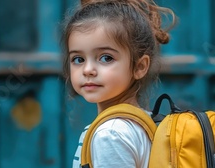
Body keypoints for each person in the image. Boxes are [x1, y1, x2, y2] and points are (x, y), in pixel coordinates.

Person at [61, 0, 176, 167]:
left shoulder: (110, 134)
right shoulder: (146, 121)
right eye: (78, 59)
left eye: (106, 58)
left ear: (139, 66)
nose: (88, 70)